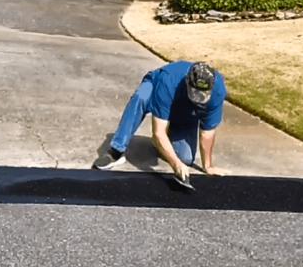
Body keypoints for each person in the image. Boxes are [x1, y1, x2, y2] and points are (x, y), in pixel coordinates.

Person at [93, 60, 229, 182]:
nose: (199, 97)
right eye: (195, 92)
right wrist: (175, 164)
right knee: (141, 97)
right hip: (156, 89)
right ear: (187, 82)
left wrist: (208, 166)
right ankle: (116, 150)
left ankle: (164, 141)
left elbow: (207, 132)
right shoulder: (168, 80)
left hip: (185, 111)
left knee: (185, 159)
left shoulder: (217, 91)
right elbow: (158, 131)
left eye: (203, 94)